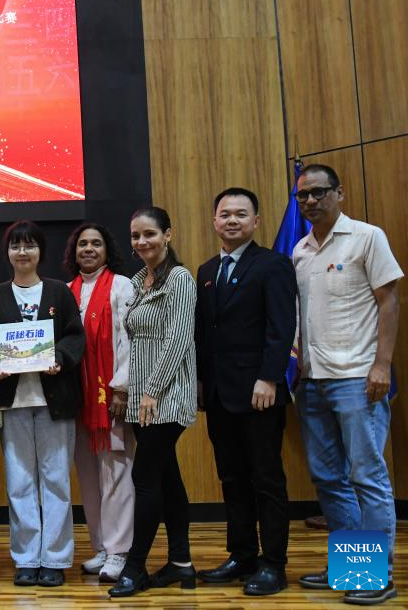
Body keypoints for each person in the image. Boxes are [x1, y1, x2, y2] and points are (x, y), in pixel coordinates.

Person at [291, 164, 401, 606]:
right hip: (311, 381)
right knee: (328, 478)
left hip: (357, 377)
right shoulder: (299, 251)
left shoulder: (367, 237)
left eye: (319, 192)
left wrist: (382, 365)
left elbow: (389, 301)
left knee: (366, 475)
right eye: (303, 195)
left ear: (339, 193)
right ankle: (353, 567)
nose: (310, 201)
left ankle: (379, 576)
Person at [194, 188, 297, 596]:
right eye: (225, 214)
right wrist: (200, 382)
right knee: (231, 478)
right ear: (214, 221)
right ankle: (242, 556)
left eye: (241, 214)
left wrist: (269, 377)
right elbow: (204, 333)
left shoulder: (273, 264)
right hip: (219, 394)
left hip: (260, 392)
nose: (232, 220)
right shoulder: (206, 270)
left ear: (256, 221)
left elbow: (281, 327)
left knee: (266, 479)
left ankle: (273, 564)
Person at [0, 221, 85, 588]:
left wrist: (59, 357)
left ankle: (55, 559)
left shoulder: (59, 292)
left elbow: (76, 336)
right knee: (19, 483)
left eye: (29, 245)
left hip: (54, 401)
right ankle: (26, 558)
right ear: (8, 253)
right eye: (16, 246)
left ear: (41, 252)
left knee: (56, 480)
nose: (22, 252)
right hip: (13, 402)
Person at [109, 207, 198, 598]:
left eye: (150, 234)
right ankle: (181, 563)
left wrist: (153, 390)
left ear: (168, 235)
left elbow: (178, 339)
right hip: (141, 398)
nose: (142, 241)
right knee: (166, 478)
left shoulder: (179, 278)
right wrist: (131, 390)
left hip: (166, 396)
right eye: (136, 235)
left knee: (144, 479)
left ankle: (134, 568)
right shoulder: (136, 281)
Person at [63, 222, 136, 583]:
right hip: (77, 401)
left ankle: (120, 550)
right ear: (74, 251)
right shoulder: (65, 291)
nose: (88, 249)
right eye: (82, 244)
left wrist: (121, 388)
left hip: (111, 399)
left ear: (107, 250)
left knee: (116, 475)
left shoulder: (122, 286)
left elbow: (128, 341)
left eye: (96, 243)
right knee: (89, 478)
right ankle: (102, 547)